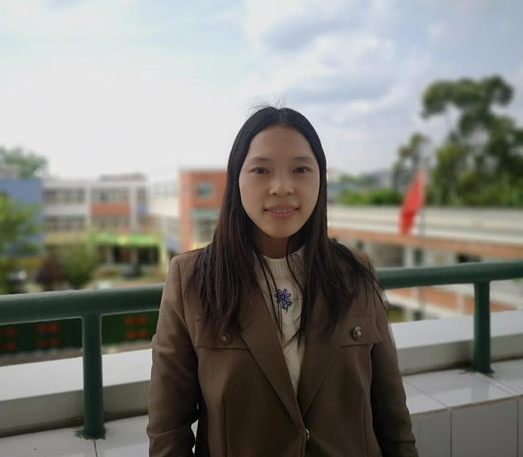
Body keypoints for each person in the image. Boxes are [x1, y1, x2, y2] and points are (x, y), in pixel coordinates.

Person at [147, 106, 418, 456]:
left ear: (320, 179)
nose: (282, 187)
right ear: (236, 180)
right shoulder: (192, 280)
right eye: (261, 170)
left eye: (300, 169)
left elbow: (392, 415)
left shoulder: (355, 273)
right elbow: (168, 429)